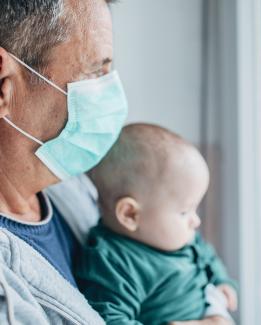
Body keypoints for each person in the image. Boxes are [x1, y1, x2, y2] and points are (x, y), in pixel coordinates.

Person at [0, 1, 233, 324]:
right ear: (3, 86)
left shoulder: (71, 183)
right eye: (95, 71)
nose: (110, 91)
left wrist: (216, 306)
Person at [75, 123, 238, 325]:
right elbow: (110, 319)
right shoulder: (113, 263)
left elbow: (207, 255)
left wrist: (222, 281)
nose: (195, 221)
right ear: (130, 214)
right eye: (184, 211)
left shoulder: (180, 236)